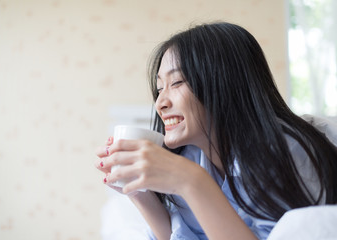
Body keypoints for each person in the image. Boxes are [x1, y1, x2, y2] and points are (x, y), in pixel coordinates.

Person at [95, 21, 337, 240]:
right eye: (159, 89)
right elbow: (182, 236)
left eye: (177, 82)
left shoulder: (286, 150)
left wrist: (191, 180)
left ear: (225, 82)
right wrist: (138, 192)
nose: (160, 103)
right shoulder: (190, 156)